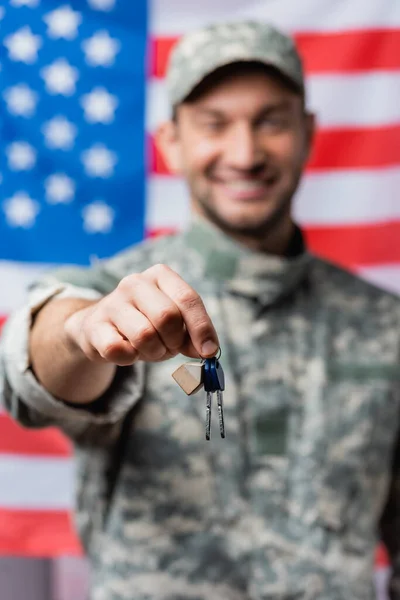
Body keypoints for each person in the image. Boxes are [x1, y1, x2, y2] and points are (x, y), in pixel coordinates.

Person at [1, 20, 400, 600]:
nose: (245, 153)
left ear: (308, 132)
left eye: (271, 121)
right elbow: (32, 374)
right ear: (172, 141)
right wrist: (82, 331)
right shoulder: (117, 291)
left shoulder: (386, 325)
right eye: (214, 124)